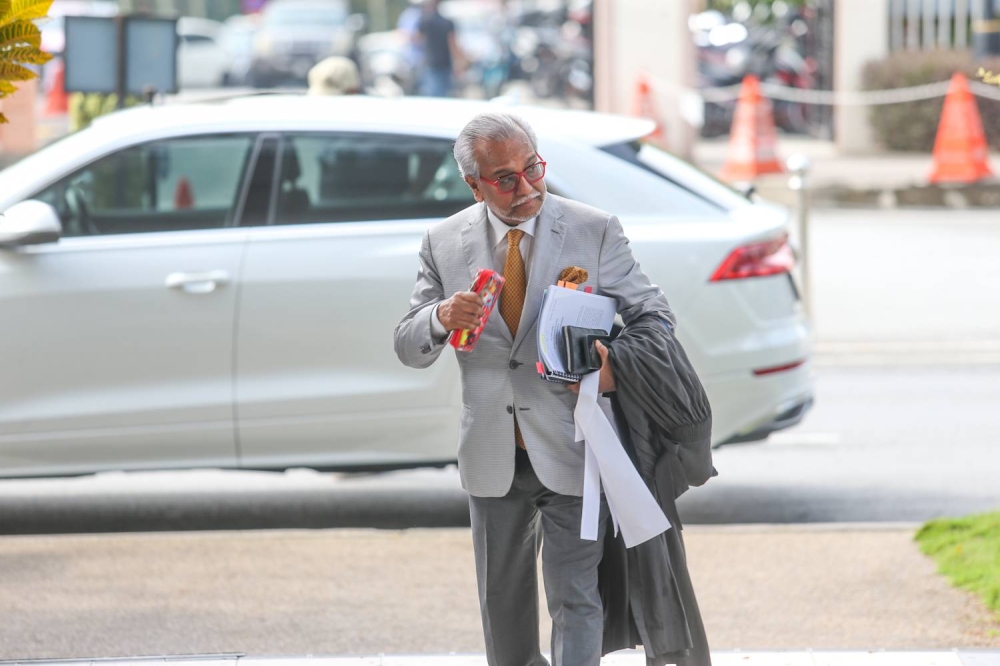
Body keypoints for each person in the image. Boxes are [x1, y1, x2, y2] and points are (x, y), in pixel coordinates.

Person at [393, 112, 678, 666]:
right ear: (473, 184)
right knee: (503, 604)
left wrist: (614, 364)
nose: (526, 186)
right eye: (505, 178)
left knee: (576, 597)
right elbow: (408, 345)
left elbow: (655, 317)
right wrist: (441, 316)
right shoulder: (443, 241)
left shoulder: (594, 229)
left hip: (575, 443)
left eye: (533, 168)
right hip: (492, 450)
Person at [416, 0, 463, 97]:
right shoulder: (447, 23)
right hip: (445, 62)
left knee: (432, 93)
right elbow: (453, 45)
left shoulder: (425, 21)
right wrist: (459, 61)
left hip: (430, 62)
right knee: (442, 93)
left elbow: (418, 40)